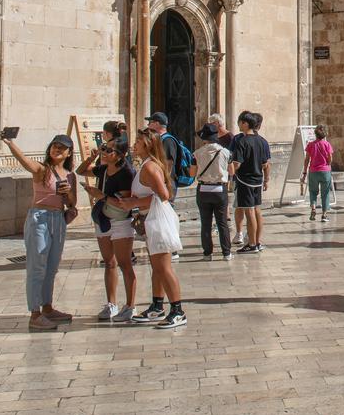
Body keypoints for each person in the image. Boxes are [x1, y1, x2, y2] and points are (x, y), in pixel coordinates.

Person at [0, 132, 77, 330]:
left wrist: (67, 192)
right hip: (40, 218)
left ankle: (47, 307)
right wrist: (10, 143)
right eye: (54, 145)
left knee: (52, 266)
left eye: (62, 147)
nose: (57, 149)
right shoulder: (42, 170)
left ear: (69, 153)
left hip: (58, 219)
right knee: (37, 266)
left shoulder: (70, 175)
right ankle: (35, 313)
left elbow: (72, 203)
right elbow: (24, 161)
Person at [117, 130, 186, 329]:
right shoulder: (145, 165)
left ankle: (178, 310)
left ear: (148, 144)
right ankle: (157, 305)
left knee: (164, 267)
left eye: (138, 141)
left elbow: (164, 195)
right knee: (157, 266)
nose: (135, 144)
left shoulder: (150, 168)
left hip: (158, 220)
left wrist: (134, 203)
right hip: (150, 219)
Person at [80, 138, 137, 322]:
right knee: (109, 262)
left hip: (120, 221)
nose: (105, 152)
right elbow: (80, 171)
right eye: (104, 148)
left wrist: (101, 196)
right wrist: (92, 157)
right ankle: (111, 304)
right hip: (103, 219)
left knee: (125, 263)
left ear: (121, 155)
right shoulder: (104, 169)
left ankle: (130, 306)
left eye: (109, 150)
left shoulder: (127, 173)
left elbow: (124, 205)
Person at [229, 111, 270, 253]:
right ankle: (257, 241)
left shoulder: (242, 141)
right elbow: (266, 163)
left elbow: (237, 164)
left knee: (249, 212)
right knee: (257, 210)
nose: (238, 125)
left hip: (245, 180)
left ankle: (251, 243)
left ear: (245, 123)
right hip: (257, 180)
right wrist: (266, 179)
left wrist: (229, 174)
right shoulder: (261, 141)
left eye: (239, 122)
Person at [192, 125, 233, 260]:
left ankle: (207, 253)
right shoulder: (226, 152)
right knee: (222, 222)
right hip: (219, 189)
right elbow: (232, 171)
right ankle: (226, 253)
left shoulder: (197, 153)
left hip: (203, 189)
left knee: (206, 223)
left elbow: (192, 173)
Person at [303, 125, 335, 222]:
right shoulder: (327, 144)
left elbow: (307, 159)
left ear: (315, 134)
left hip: (313, 171)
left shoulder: (310, 145)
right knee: (325, 193)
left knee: (313, 191)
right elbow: (330, 158)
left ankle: (313, 209)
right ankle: (324, 215)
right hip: (325, 171)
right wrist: (328, 164)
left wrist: (304, 171)